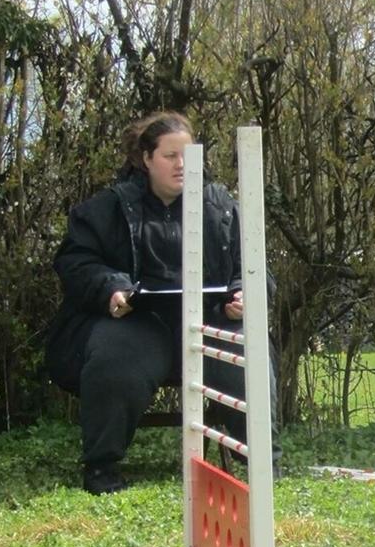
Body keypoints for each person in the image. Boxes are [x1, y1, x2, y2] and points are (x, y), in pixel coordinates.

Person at [45, 112, 276, 494]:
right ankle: (101, 467)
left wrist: (243, 295)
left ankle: (264, 461)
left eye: (188, 154)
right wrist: (112, 289)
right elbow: (75, 261)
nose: (181, 164)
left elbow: (254, 267)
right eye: (170, 156)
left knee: (248, 348)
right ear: (146, 158)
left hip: (210, 317)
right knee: (116, 358)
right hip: (134, 321)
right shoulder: (107, 209)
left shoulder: (221, 207)